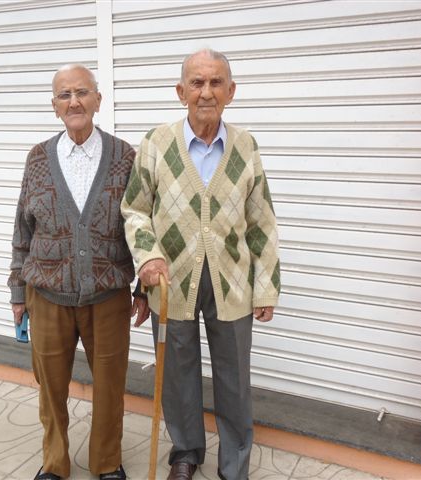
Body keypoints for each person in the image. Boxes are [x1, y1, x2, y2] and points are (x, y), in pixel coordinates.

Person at [121, 49, 281, 480]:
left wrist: (265, 286)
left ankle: (234, 465)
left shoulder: (246, 146)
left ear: (231, 91)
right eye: (196, 83)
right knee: (177, 374)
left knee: (234, 381)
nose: (205, 92)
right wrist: (148, 256)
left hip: (232, 283)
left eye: (215, 83)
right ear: (180, 91)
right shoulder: (156, 143)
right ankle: (186, 452)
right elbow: (134, 210)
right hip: (170, 282)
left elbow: (261, 221)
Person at [8, 64, 148, 480]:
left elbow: (143, 225)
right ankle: (55, 463)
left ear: (98, 101)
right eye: (65, 95)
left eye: (82, 93)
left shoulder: (125, 157)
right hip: (47, 295)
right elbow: (22, 229)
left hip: (108, 296)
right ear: (54, 107)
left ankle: (107, 461)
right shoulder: (37, 158)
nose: (74, 102)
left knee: (109, 386)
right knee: (50, 387)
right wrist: (18, 294)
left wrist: (142, 289)